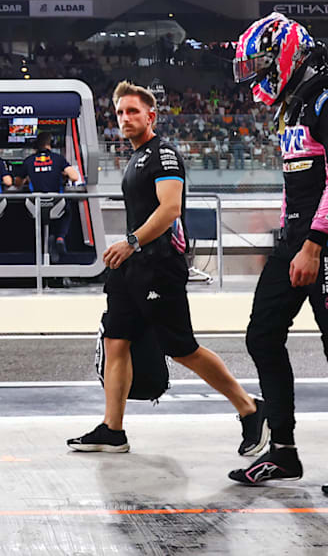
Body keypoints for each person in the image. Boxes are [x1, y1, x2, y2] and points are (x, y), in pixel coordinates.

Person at [229, 13, 328, 497]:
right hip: (295, 244)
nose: (259, 77)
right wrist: (290, 239)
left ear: (288, 53)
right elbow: (295, 185)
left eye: (263, 65)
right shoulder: (292, 110)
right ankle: (283, 452)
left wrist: (314, 244)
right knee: (261, 336)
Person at [68, 81, 267, 457]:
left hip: (159, 267)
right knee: (115, 341)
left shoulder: (164, 155)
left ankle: (251, 409)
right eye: (120, 113)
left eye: (132, 112)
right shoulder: (135, 158)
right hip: (131, 269)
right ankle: (113, 430)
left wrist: (131, 242)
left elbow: (170, 208)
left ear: (151, 116)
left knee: (181, 348)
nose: (125, 119)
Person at [15, 132, 83, 261]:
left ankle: (46, 242)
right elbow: (75, 177)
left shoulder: (29, 161)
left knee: (42, 217)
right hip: (56, 202)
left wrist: (28, 178)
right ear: (50, 144)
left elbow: (17, 183)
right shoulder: (58, 159)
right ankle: (60, 237)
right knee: (66, 210)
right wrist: (62, 174)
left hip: (36, 205)